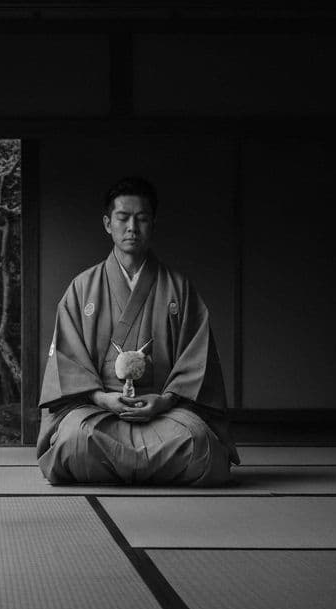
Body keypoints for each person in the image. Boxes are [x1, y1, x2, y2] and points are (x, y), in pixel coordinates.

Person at [36, 177, 239, 486]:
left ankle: (113, 467)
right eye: (123, 217)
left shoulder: (178, 288)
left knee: (200, 444)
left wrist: (166, 400)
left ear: (152, 222)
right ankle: (153, 467)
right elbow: (67, 363)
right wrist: (102, 398)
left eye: (141, 218)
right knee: (74, 440)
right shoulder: (82, 288)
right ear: (108, 223)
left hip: (163, 412)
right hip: (98, 411)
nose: (132, 226)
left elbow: (198, 362)